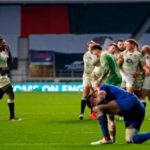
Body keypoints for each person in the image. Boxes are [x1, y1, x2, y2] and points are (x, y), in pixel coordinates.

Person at [91, 44, 122, 142]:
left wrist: (99, 81)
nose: (94, 55)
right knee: (111, 107)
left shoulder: (103, 55)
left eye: (93, 53)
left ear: (96, 50)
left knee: (108, 112)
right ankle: (112, 138)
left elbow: (106, 69)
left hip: (111, 80)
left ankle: (109, 138)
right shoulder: (109, 54)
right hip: (117, 79)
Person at [0, 36, 22, 121]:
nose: (5, 43)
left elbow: (10, 62)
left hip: (4, 76)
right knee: (11, 95)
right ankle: (12, 117)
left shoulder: (3, 52)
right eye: (3, 42)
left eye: (5, 42)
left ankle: (12, 117)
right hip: (1, 77)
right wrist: (2, 69)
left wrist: (9, 52)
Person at [79, 40, 98, 120]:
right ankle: (82, 113)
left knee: (95, 95)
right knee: (85, 94)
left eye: (93, 46)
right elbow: (91, 63)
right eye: (90, 46)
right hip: (87, 76)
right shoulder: (86, 55)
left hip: (95, 77)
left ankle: (92, 113)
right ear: (88, 47)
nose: (91, 47)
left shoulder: (98, 54)